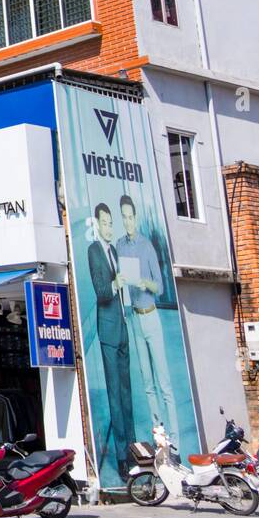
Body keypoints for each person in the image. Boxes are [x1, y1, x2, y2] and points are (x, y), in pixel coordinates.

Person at [116, 195, 178, 442]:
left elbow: (161, 286)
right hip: (134, 317)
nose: (128, 222)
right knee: (147, 381)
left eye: (131, 217)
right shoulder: (120, 245)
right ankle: (159, 432)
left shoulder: (146, 245)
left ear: (136, 218)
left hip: (151, 315)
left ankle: (174, 436)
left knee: (164, 382)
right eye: (124, 217)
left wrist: (146, 283)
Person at [87, 202, 133, 480]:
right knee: (115, 397)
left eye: (110, 223)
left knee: (127, 396)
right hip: (107, 330)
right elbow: (101, 291)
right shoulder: (94, 251)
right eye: (104, 223)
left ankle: (134, 449)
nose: (108, 228)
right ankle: (121, 458)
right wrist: (115, 284)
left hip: (123, 327)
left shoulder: (115, 250)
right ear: (96, 224)